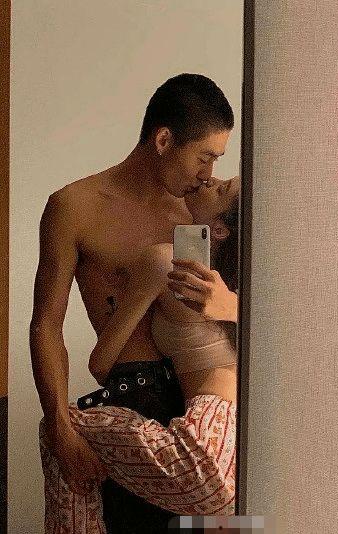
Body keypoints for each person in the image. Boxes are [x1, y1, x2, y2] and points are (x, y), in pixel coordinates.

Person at [30, 73, 234, 533]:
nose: (209, 174)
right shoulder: (75, 206)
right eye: (204, 157)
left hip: (201, 406)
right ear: (163, 140)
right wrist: (59, 426)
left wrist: (228, 304)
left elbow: (268, 307)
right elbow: (46, 325)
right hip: (130, 400)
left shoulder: (202, 213)